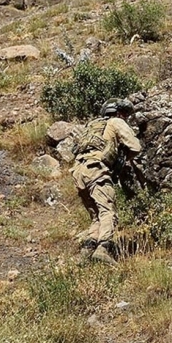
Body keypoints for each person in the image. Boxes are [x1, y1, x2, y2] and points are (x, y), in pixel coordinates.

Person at [71, 98, 142, 264]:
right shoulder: (116, 121)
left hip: (78, 171)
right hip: (96, 169)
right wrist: (123, 160)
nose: (125, 117)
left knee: (96, 216)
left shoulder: (92, 126)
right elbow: (136, 146)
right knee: (108, 211)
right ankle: (104, 249)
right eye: (124, 114)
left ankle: (86, 252)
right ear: (117, 113)